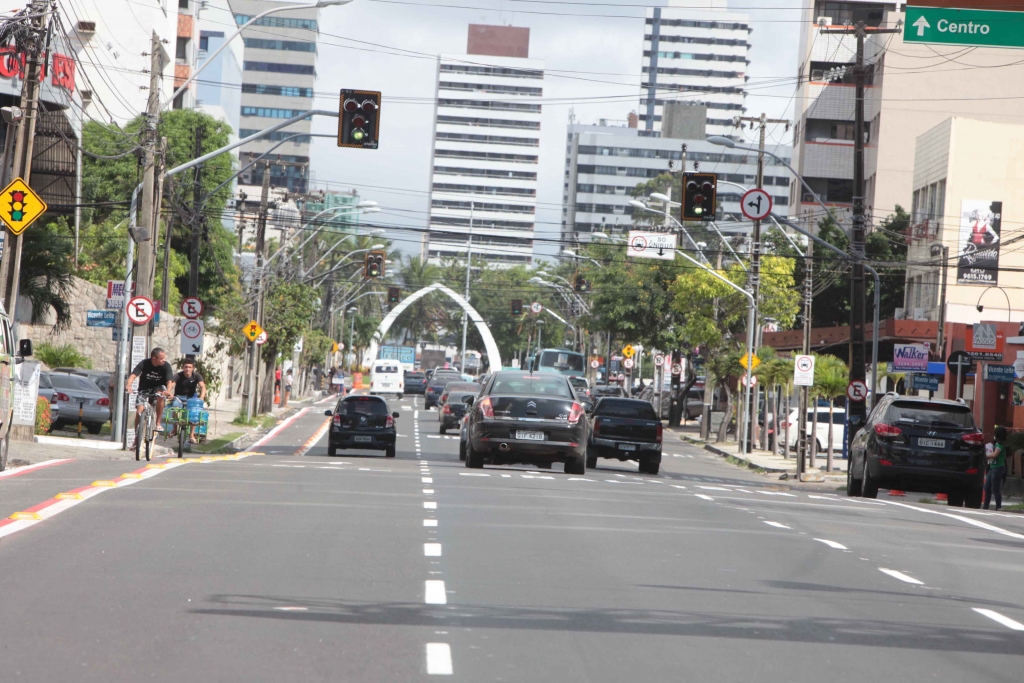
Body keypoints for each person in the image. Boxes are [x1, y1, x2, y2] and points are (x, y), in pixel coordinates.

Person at [126, 348, 174, 440]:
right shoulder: (144, 363)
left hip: (158, 388)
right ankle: (137, 438)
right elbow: (133, 375)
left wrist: (168, 391)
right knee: (139, 412)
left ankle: (158, 423)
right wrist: (128, 385)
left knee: (161, 394)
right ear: (154, 359)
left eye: (164, 357)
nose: (164, 360)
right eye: (161, 358)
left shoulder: (166, 366)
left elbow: (169, 381)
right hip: (144, 389)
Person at [170, 358, 207, 443]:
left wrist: (201, 397)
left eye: (190, 367)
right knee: (175, 407)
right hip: (179, 397)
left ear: (193, 368)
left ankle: (191, 435)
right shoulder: (177, 375)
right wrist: (169, 393)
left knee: (194, 412)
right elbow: (172, 385)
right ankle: (175, 429)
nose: (187, 369)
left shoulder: (196, 376)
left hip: (191, 398)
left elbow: (203, 387)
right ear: (183, 367)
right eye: (186, 367)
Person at [985, 426, 1008, 511]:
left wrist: (986, 456)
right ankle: (986, 506)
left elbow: (994, 455)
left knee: (995, 489)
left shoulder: (1000, 446)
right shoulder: (997, 444)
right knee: (987, 487)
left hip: (998, 469)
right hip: (992, 468)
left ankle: (998, 507)